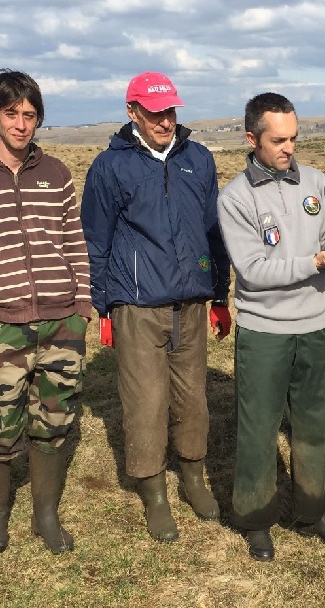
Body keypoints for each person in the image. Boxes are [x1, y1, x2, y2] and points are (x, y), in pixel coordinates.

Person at [0, 69, 92, 554]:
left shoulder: (58, 174)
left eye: (30, 115)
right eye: (12, 113)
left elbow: (75, 243)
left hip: (61, 320)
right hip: (0, 327)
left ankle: (45, 515)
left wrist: (82, 307)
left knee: (53, 423)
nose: (21, 124)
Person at [80, 72, 231, 543]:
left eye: (171, 110)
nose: (165, 120)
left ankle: (193, 477)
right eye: (154, 111)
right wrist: (102, 306)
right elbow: (96, 239)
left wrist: (219, 294)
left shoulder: (199, 159)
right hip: (138, 305)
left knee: (193, 398)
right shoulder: (110, 167)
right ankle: (153, 493)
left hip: (190, 303)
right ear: (132, 113)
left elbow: (214, 231)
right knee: (145, 403)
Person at [217, 92, 325, 561]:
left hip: (315, 324)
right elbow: (254, 270)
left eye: (294, 138)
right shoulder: (235, 198)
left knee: (314, 424)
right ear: (251, 138)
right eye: (278, 139)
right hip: (265, 331)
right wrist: (315, 260)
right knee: (258, 428)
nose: (289, 148)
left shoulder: (315, 180)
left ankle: (314, 510)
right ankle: (256, 517)